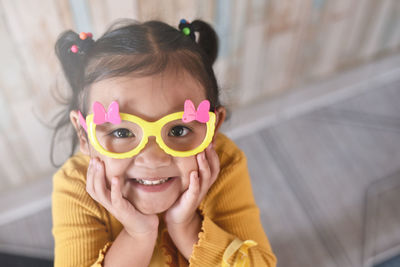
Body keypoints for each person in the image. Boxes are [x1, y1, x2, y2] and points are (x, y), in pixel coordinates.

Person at [51, 18, 277, 267]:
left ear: (213, 128)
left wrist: (186, 226)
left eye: (178, 129)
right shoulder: (75, 186)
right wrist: (138, 236)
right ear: (84, 135)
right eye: (122, 133)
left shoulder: (224, 164)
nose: (153, 158)